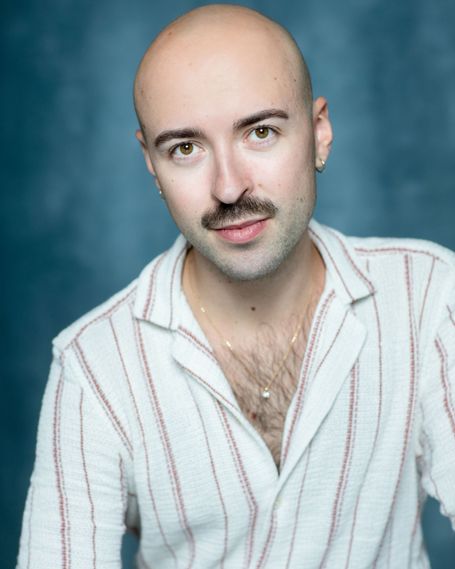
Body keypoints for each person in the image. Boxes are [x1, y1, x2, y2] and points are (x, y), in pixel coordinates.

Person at [17, 4, 455, 568]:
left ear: (319, 133)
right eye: (185, 148)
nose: (228, 188)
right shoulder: (95, 365)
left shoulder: (427, 295)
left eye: (260, 132)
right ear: (151, 164)